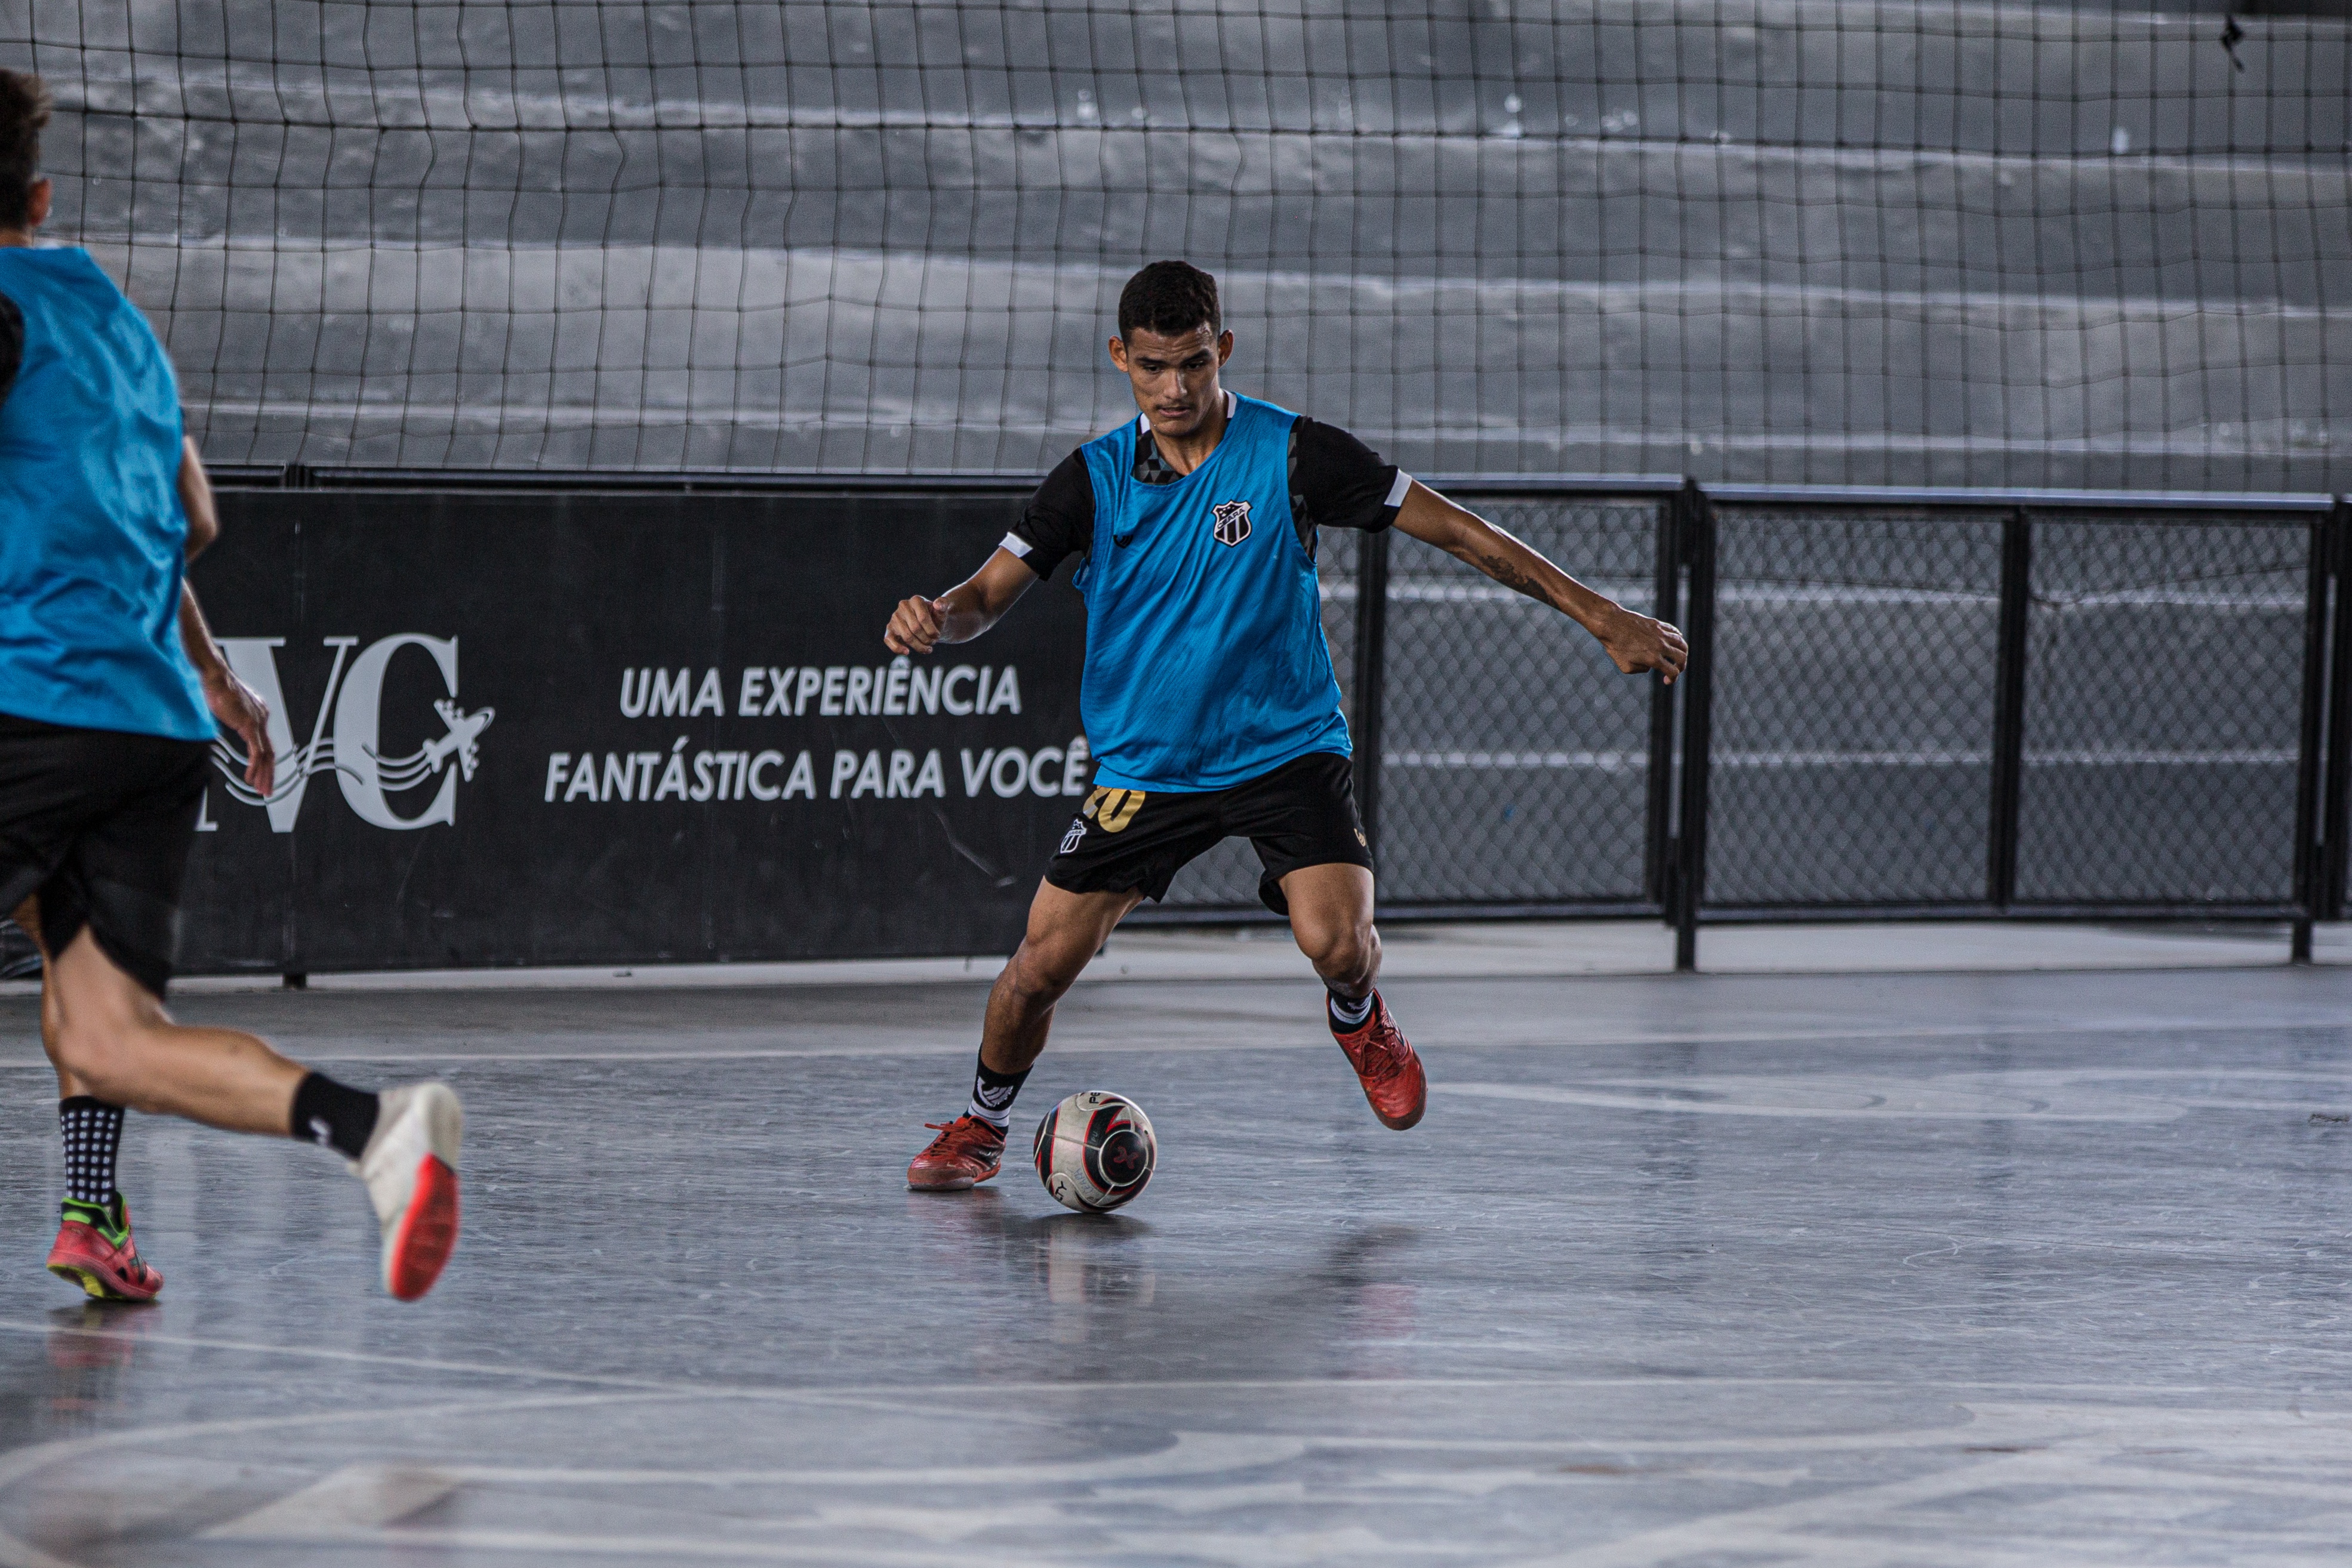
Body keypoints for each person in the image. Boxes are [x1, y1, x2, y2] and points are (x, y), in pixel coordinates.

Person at [889, 260, 1688, 1190]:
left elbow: (1462, 532)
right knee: (1038, 965)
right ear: (1121, 359)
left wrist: (1603, 616)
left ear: (1222, 349)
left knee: (1338, 945)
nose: (1176, 387)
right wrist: (939, 615)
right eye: (1154, 367)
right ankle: (980, 1128)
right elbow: (988, 595)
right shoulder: (1092, 481)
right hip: (1148, 767)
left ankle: (1360, 1018)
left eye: (1193, 363)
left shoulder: (1293, 454)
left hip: (1285, 749)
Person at [0, 69, 463, 1301]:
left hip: (29, 707)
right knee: (106, 1037)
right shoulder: (113, 320)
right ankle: (374, 1133)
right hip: (145, 722)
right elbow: (188, 517)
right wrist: (211, 671)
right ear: (41, 196)